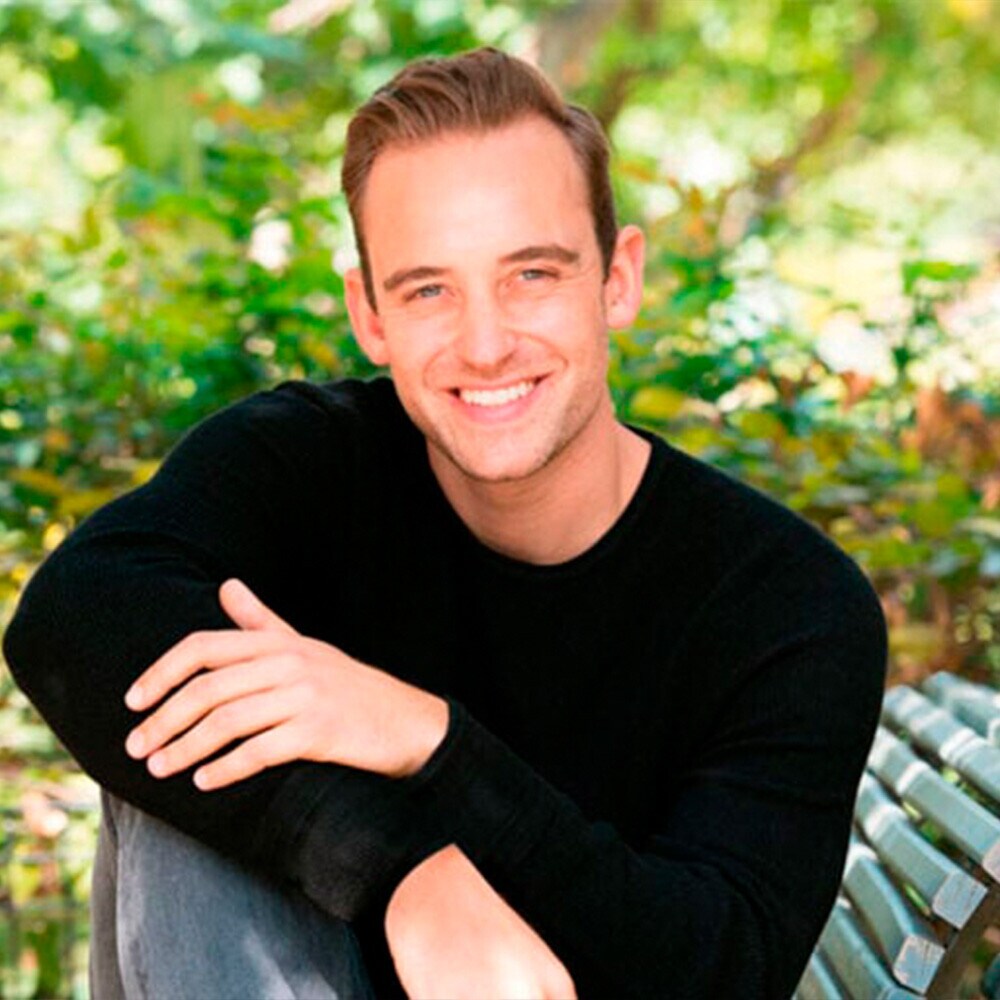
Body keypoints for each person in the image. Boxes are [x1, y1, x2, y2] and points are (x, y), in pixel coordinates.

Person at [3, 47, 886, 999]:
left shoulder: (786, 604)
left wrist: (424, 737)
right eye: (429, 289)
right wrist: (401, 872)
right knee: (194, 736)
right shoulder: (309, 464)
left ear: (617, 279)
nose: (485, 343)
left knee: (213, 723)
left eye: (532, 274)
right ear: (370, 316)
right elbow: (73, 617)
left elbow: (721, 971)